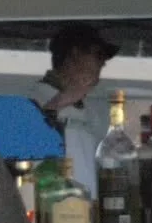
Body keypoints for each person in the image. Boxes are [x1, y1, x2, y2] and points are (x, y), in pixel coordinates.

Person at [30, 24, 119, 198]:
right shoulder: (34, 101)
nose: (103, 64)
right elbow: (26, 151)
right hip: (50, 213)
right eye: (98, 55)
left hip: (86, 214)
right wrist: (57, 104)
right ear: (75, 54)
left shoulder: (91, 112)